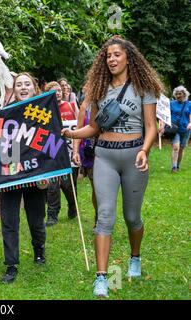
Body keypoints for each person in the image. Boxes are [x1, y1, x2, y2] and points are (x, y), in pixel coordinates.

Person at [62, 36, 163, 298]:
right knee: (104, 216)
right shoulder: (98, 88)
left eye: (117, 54)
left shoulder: (143, 87)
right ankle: (101, 278)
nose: (112, 59)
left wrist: (144, 150)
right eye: (108, 56)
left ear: (128, 57)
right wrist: (72, 134)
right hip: (105, 155)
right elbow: (94, 127)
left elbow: (151, 126)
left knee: (132, 217)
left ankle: (135, 258)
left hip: (134, 156)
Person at [0, 72, 47, 284]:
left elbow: (51, 144)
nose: (23, 87)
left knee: (36, 219)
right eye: (19, 84)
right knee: (9, 220)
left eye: (27, 84)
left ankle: (39, 250)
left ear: (34, 88)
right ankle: (11, 265)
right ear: (14, 89)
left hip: (35, 173)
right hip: (10, 173)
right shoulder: (5, 113)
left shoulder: (44, 113)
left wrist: (48, 173)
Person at [44, 81, 80, 226]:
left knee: (68, 184)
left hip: (69, 150)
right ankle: (52, 214)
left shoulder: (70, 106)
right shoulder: (45, 109)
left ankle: (73, 205)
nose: (57, 93)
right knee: (52, 185)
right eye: (53, 91)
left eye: (59, 90)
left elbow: (79, 124)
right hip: (51, 150)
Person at [72, 93, 98, 228]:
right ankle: (98, 216)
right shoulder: (85, 105)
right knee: (97, 187)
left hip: (108, 149)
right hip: (91, 153)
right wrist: (75, 151)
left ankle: (103, 216)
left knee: (101, 188)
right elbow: (78, 129)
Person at [159, 85, 191, 172]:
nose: (178, 96)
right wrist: (162, 125)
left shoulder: (189, 104)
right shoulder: (171, 103)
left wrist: (190, 123)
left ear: (184, 94)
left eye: (180, 94)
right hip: (174, 129)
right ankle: (174, 167)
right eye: (176, 94)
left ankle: (178, 166)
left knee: (181, 148)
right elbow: (165, 115)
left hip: (186, 130)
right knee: (176, 147)